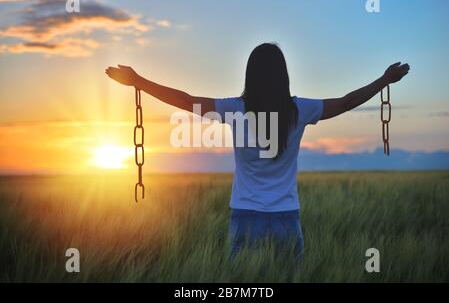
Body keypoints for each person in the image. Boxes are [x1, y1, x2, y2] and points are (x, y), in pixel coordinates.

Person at [106, 43, 410, 261]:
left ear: (250, 74)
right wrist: (384, 80)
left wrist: (138, 81)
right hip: (286, 218)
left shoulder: (233, 109)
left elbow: (186, 101)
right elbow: (344, 102)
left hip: (245, 217)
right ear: (284, 75)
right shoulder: (300, 109)